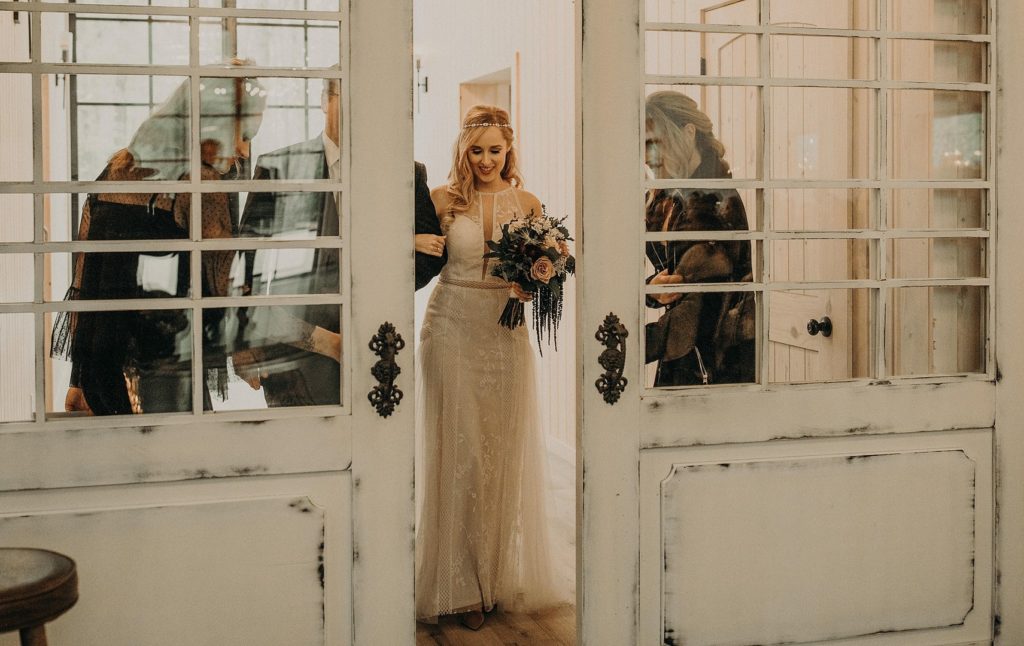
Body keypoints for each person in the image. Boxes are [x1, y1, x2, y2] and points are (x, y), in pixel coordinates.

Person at [415, 105, 565, 629]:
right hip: (450, 325)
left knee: (498, 455)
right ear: (463, 150)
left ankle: (491, 579)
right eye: (476, 150)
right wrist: (411, 240)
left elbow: (551, 269)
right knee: (461, 452)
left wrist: (537, 281)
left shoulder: (526, 203)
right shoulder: (441, 200)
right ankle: (454, 586)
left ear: (509, 151)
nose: (484, 160)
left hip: (503, 333)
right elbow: (405, 255)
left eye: (494, 150)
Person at [53, 70, 268, 415]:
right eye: (243, 134)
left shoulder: (115, 169)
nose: (244, 150)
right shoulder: (198, 183)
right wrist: (251, 353)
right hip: (165, 374)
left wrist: (77, 380)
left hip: (101, 372)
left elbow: (84, 281)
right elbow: (225, 285)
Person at [232, 75, 347, 407]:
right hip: (291, 347)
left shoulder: (404, 173)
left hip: (378, 344)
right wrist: (243, 342)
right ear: (325, 100)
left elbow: (427, 259)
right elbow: (244, 262)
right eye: (345, 97)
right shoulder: (277, 167)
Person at [643, 90, 756, 386]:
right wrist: (651, 291)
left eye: (654, 144)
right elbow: (672, 276)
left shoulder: (718, 202)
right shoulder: (664, 195)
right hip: (682, 352)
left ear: (688, 132)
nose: (647, 157)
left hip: (717, 359)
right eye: (642, 146)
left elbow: (702, 305)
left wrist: (622, 345)